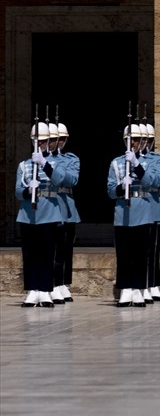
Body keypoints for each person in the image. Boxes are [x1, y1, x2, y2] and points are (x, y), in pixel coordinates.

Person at [108, 121, 160, 308]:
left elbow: (153, 181)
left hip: (143, 210)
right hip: (123, 211)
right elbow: (109, 189)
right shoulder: (117, 163)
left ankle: (140, 289)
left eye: (138, 140)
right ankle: (126, 289)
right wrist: (120, 187)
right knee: (124, 253)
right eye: (130, 140)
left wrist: (136, 165)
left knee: (141, 253)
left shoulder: (150, 161)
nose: (134, 143)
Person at [17, 121, 74, 308]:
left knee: (47, 253)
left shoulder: (58, 162)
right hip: (28, 213)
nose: (40, 145)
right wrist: (26, 191)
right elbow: (18, 190)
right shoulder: (24, 165)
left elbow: (59, 180)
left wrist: (44, 164)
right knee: (30, 254)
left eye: (43, 141)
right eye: (37, 141)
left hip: (49, 211)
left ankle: (46, 290)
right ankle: (33, 290)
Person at [50, 121, 80, 303]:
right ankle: (52, 283)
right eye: (55, 139)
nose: (59, 142)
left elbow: (71, 179)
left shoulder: (71, 159)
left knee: (65, 248)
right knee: (51, 247)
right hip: (50, 205)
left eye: (62, 139)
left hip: (66, 206)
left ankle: (62, 283)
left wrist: (54, 165)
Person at [142, 121, 160, 302]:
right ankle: (140, 284)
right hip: (135, 210)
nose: (145, 143)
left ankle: (153, 283)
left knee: (152, 250)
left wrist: (138, 166)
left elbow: (157, 180)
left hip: (153, 209)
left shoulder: (159, 160)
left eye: (148, 140)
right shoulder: (124, 160)